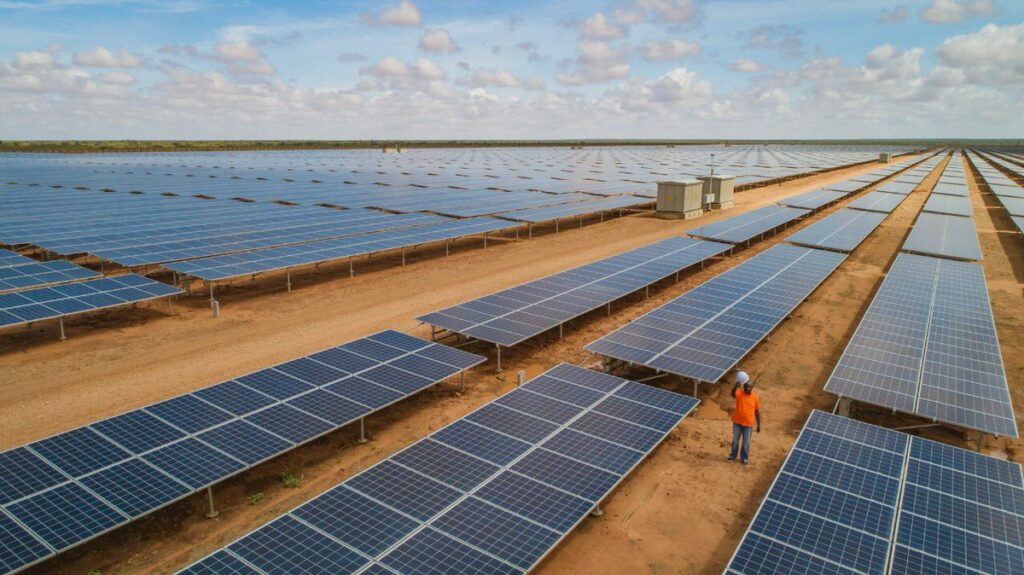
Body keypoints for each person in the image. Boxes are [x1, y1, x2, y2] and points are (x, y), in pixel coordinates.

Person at [728, 370, 761, 465]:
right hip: (737, 423)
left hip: (748, 424)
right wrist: (735, 386)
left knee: (746, 443)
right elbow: (732, 394)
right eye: (746, 388)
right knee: (735, 441)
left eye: (749, 388)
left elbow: (757, 411)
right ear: (744, 388)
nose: (747, 389)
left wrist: (759, 425)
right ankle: (733, 455)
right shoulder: (739, 393)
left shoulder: (755, 397)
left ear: (752, 388)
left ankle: (744, 458)